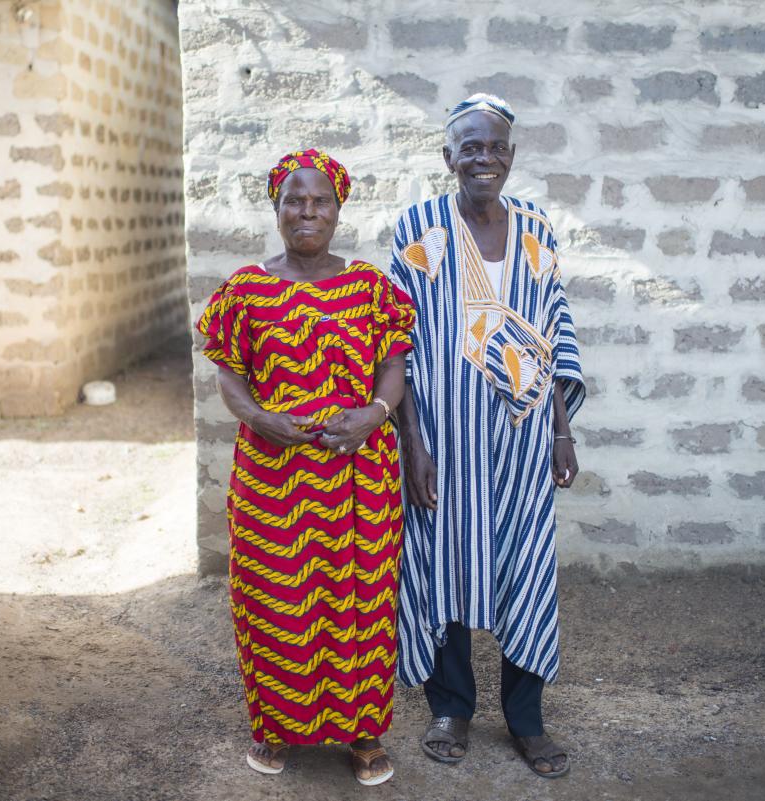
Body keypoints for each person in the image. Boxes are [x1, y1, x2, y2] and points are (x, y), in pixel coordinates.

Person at [195, 149, 415, 786]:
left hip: (359, 479)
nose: (308, 211)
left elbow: (393, 366)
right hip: (273, 479)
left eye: (320, 200)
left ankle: (363, 733)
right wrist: (263, 419)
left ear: (338, 209)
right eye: (295, 199)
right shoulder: (246, 289)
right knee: (274, 600)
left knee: (362, 604)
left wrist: (375, 413)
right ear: (278, 209)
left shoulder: (372, 289)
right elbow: (230, 375)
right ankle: (274, 727)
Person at [388, 94, 586, 779]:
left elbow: (555, 334)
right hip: (445, 438)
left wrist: (562, 430)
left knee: (525, 565)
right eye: (469, 147)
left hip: (524, 439)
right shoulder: (420, 228)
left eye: (495, 146)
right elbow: (397, 347)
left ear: (511, 156)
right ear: (449, 158)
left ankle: (526, 719)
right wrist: (412, 444)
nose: (483, 157)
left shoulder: (536, 228)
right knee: (443, 559)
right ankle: (451, 707)